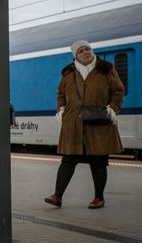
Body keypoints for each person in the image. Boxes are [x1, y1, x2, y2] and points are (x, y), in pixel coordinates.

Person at [44, 40, 124, 209]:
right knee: (68, 160)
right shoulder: (68, 73)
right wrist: (61, 109)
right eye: (81, 51)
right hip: (74, 124)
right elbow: (60, 93)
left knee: (99, 162)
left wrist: (112, 109)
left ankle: (99, 198)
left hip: (99, 122)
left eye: (88, 49)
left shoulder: (106, 69)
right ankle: (57, 196)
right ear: (76, 56)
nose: (86, 52)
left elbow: (118, 90)